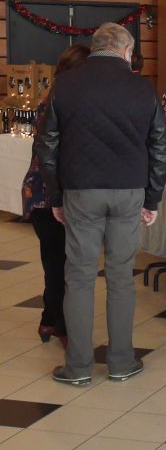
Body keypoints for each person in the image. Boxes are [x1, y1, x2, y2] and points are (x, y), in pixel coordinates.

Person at [35, 23, 166, 386]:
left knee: (78, 277)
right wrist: (153, 197)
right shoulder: (142, 88)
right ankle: (122, 362)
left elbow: (46, 146)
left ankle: (78, 368)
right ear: (127, 52)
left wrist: (57, 195)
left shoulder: (66, 85)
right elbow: (160, 146)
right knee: (121, 277)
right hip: (128, 191)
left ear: (94, 49)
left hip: (81, 191)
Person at [22, 43, 90, 348]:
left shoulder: (52, 100)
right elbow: (56, 157)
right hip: (52, 196)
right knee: (61, 265)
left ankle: (49, 321)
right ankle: (62, 328)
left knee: (55, 262)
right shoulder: (64, 105)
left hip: (41, 194)